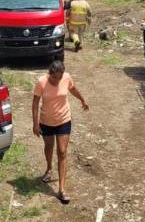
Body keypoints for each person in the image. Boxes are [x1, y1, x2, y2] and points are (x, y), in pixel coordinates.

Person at [32, 60, 89, 204]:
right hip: (46, 122)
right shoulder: (41, 82)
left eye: (60, 77)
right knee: (49, 147)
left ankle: (61, 189)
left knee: (62, 151)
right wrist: (35, 124)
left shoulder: (66, 78)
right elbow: (35, 103)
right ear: (49, 73)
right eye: (54, 77)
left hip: (64, 119)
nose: (57, 80)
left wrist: (82, 100)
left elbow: (73, 89)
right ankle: (49, 168)